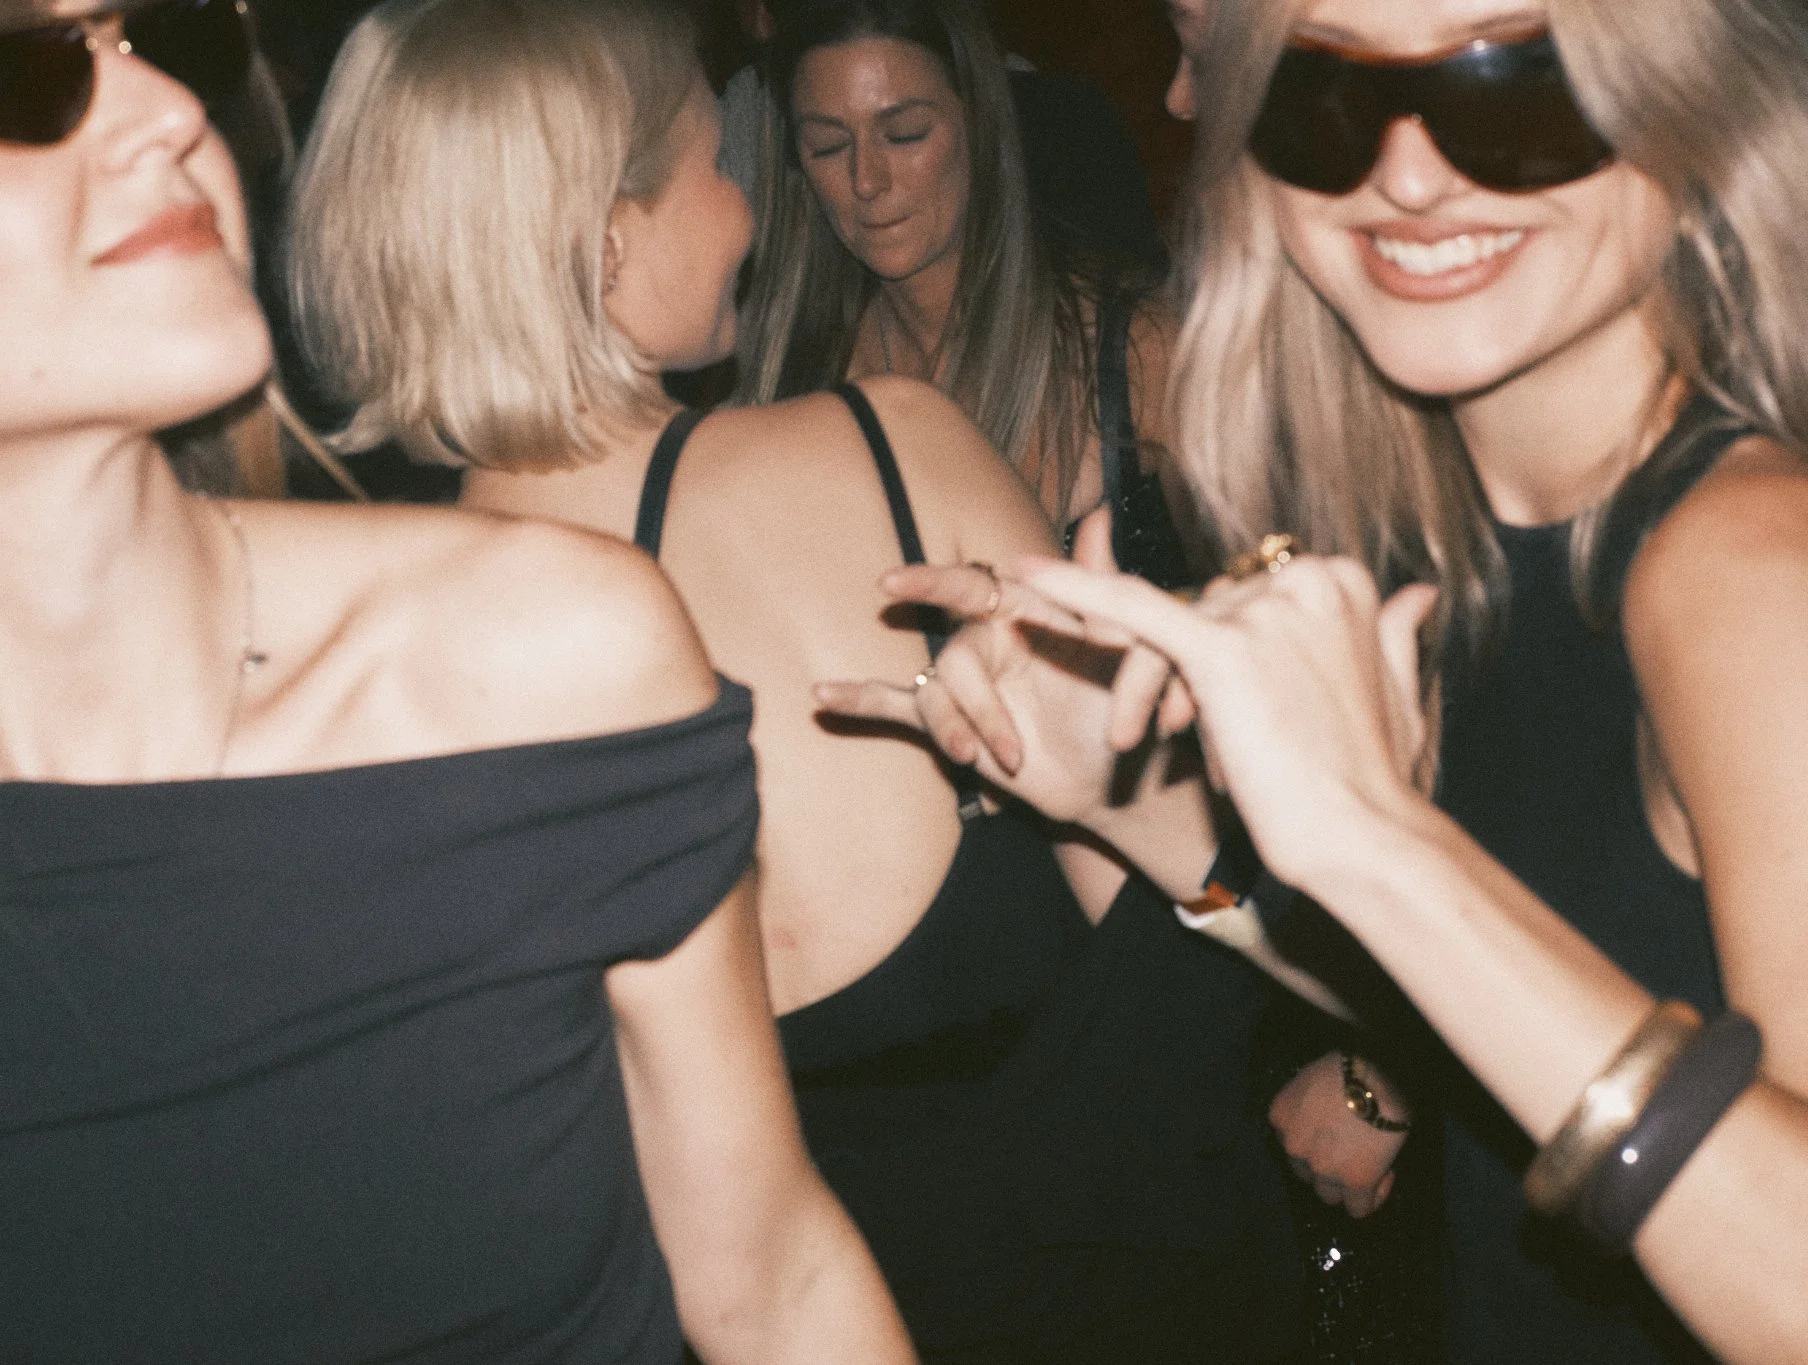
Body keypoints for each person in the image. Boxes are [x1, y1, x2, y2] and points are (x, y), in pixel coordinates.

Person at [0, 1, 914, 1361]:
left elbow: (773, 1290)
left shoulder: (536, 662)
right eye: (17, 72)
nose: (167, 114)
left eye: (158, 41)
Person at [286, 0, 1303, 1359]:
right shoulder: (891, 450)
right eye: (721, 165)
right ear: (604, 234)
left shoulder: (338, 654)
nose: (753, 212)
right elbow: (1199, 944)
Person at [824, 0, 1808, 1358]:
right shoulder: (1449, 532)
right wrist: (1131, 807)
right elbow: (1498, 1014)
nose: (1405, 173)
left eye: (1508, 83)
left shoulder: (1747, 564)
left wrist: (1385, 845)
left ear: (1689, 107)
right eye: (1321, 92)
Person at [736, 0, 1174, 549]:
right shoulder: (792, 377)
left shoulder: (1136, 353)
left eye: (906, 134)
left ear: (979, 123)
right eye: (828, 146)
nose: (866, 180)